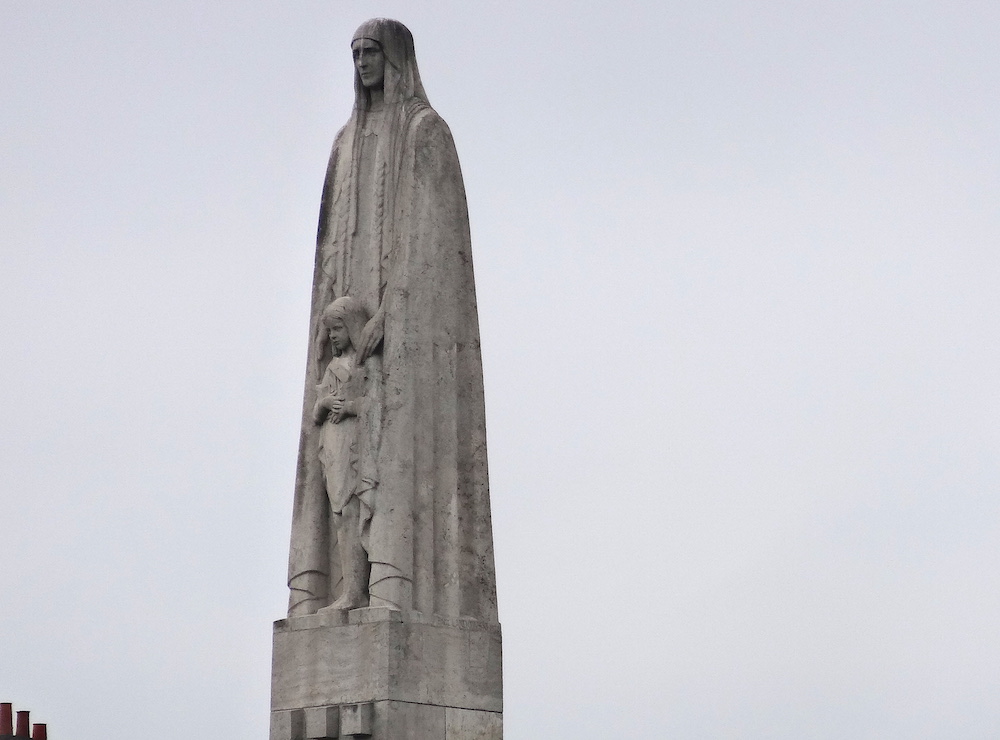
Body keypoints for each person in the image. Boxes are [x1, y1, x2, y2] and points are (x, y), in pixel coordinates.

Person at [286, 18, 498, 623]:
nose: (362, 64)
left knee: (391, 466)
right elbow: (330, 248)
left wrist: (395, 310)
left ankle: (391, 587)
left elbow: (433, 245)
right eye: (354, 54)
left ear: (396, 58)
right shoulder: (343, 144)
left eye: (371, 52)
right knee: (339, 477)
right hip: (347, 335)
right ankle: (329, 588)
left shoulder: (426, 134)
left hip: (402, 338)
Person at [311, 297, 372, 612]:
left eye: (337, 329)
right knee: (340, 515)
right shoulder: (333, 368)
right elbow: (316, 411)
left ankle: (356, 592)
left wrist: (348, 406)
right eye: (329, 330)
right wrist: (323, 405)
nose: (333, 336)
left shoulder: (365, 365)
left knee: (354, 512)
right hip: (332, 445)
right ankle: (351, 590)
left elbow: (376, 403)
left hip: (354, 445)